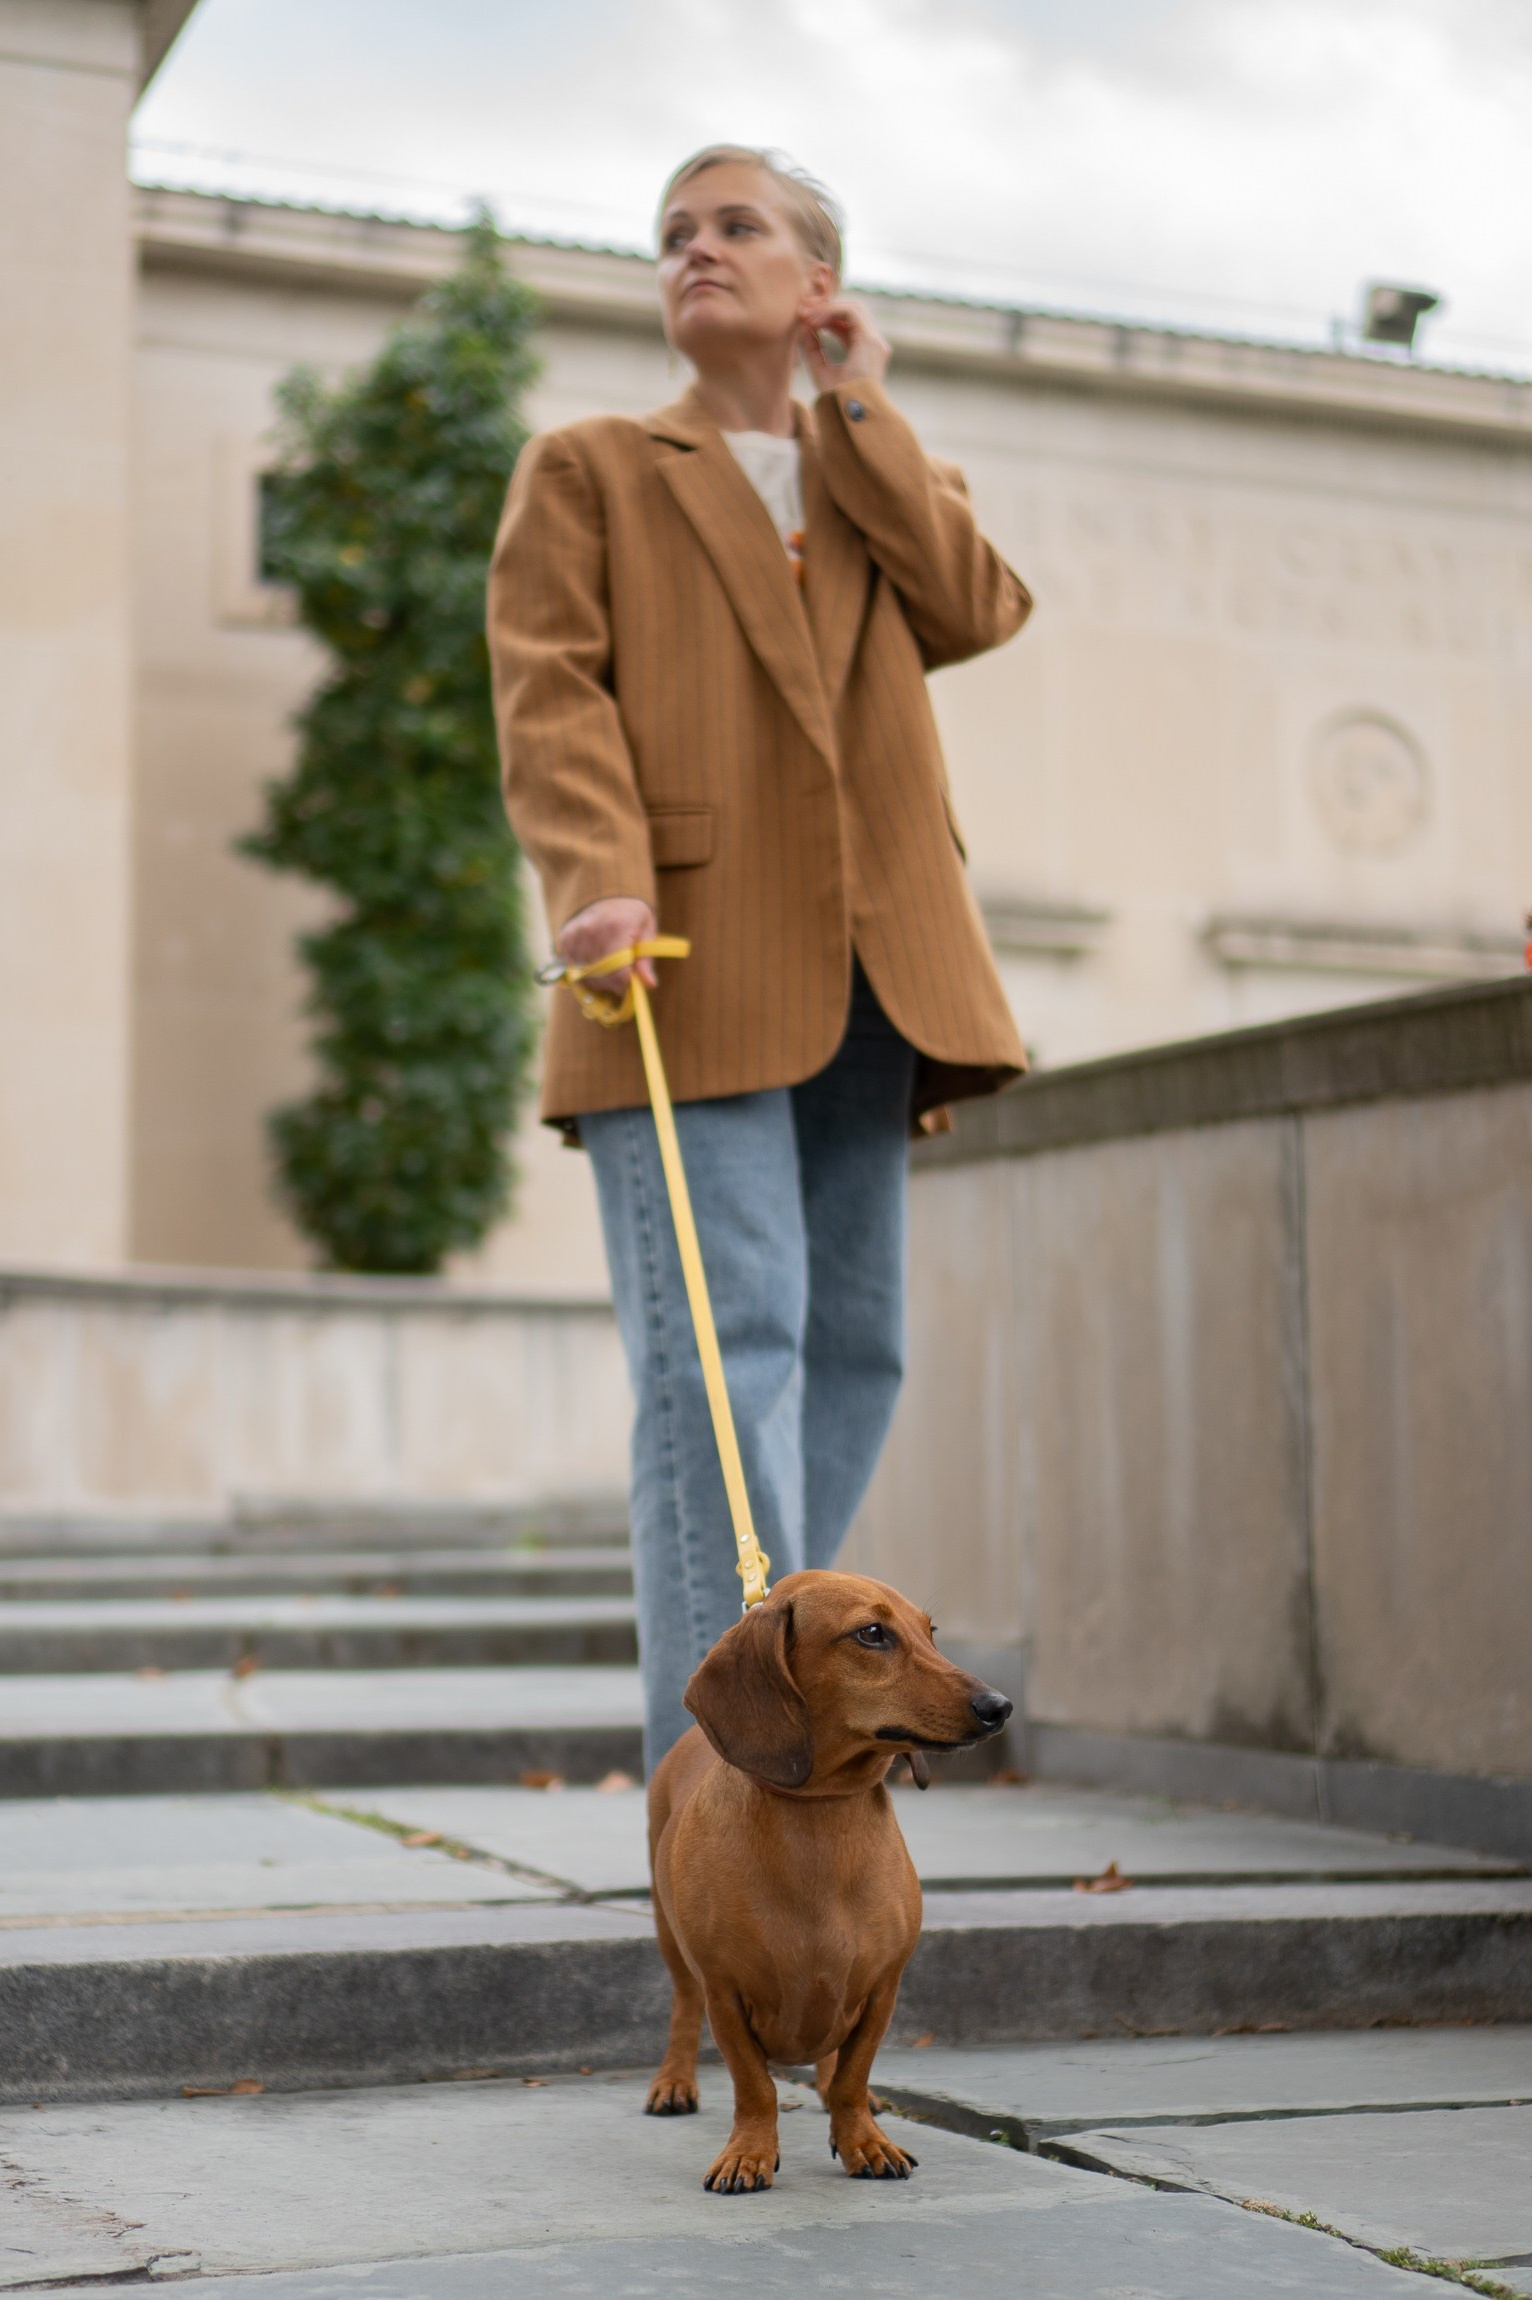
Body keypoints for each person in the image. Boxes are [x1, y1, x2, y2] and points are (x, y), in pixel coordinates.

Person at [488, 145, 1031, 1773]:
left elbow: (980, 605)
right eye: (674, 234)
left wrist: (858, 404)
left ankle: (793, 1700)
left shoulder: (863, 469)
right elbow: (549, 686)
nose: (696, 251)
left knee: (856, 1341)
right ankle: (728, 1775)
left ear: (821, 286)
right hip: (674, 956)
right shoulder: (591, 465)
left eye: (739, 227)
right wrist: (595, 877)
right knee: (728, 1357)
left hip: (883, 967)